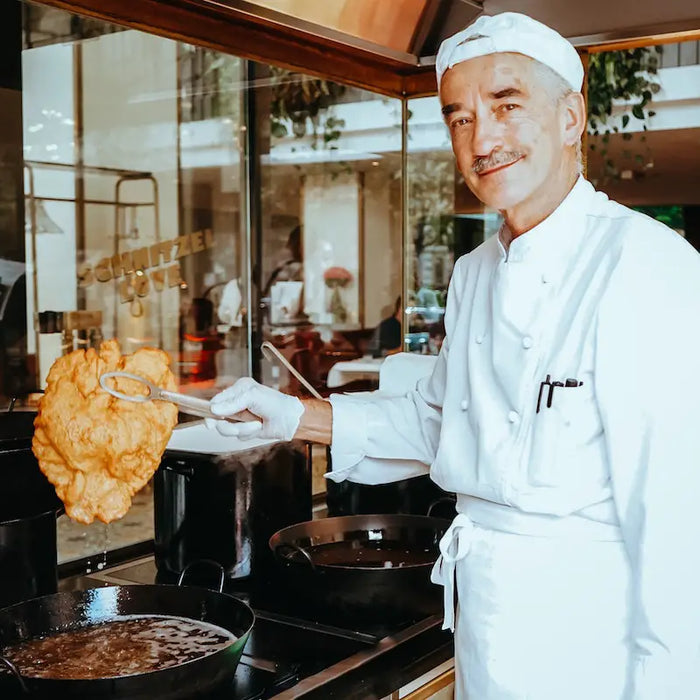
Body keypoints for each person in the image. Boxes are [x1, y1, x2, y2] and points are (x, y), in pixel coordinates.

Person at [206, 12, 700, 699]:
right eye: (460, 118)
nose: (482, 138)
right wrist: (289, 416)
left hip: (592, 645)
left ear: (569, 117)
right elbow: (443, 422)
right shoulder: (474, 273)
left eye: (506, 105)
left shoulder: (646, 267)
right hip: (486, 626)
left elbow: (682, 532)